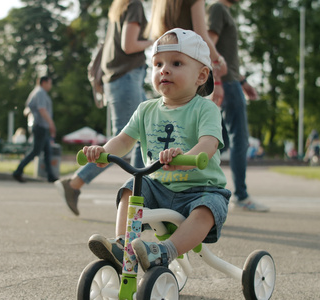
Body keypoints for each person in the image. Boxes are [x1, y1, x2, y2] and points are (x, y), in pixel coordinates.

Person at [84, 29, 230, 274]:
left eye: (176, 63)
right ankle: (123, 245)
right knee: (131, 187)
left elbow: (209, 143)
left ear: (201, 75)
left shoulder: (206, 110)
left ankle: (166, 251)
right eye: (158, 64)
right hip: (159, 187)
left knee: (209, 209)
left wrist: (186, 160)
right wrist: (103, 152)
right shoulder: (146, 110)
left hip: (200, 189)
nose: (164, 69)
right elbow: (124, 139)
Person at [55, 0, 154, 216]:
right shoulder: (134, 4)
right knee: (131, 137)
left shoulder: (119, 6)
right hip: (127, 76)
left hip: (119, 78)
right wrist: (154, 39)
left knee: (140, 133)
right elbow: (129, 45)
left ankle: (137, 198)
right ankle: (136, 199)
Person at [207, 0, 269, 212]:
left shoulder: (225, 12)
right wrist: (217, 81)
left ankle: (209, 193)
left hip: (233, 81)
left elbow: (227, 58)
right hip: (226, 83)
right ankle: (241, 196)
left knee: (218, 140)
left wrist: (243, 82)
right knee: (239, 139)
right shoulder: (217, 8)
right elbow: (210, 46)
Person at [145, 0, 228, 105]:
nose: (164, 70)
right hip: (189, 66)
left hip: (169, 79)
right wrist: (218, 61)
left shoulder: (158, 2)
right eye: (158, 65)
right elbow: (202, 35)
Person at [12, 76, 58, 183]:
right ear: (44, 83)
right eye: (50, 83)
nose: (50, 86)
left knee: (47, 152)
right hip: (40, 126)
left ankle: (50, 176)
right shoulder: (40, 93)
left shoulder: (35, 93)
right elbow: (42, 109)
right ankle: (18, 171)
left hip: (40, 126)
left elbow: (27, 110)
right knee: (35, 151)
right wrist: (51, 123)